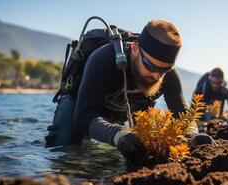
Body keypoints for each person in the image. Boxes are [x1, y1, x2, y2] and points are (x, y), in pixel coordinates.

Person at [46, 19, 213, 162]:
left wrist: (193, 136)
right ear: (134, 48)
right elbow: (83, 116)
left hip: (122, 110)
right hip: (80, 104)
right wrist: (118, 135)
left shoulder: (166, 73)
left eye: (164, 70)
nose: (156, 76)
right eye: (149, 66)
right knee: (65, 148)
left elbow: (182, 113)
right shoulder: (103, 60)